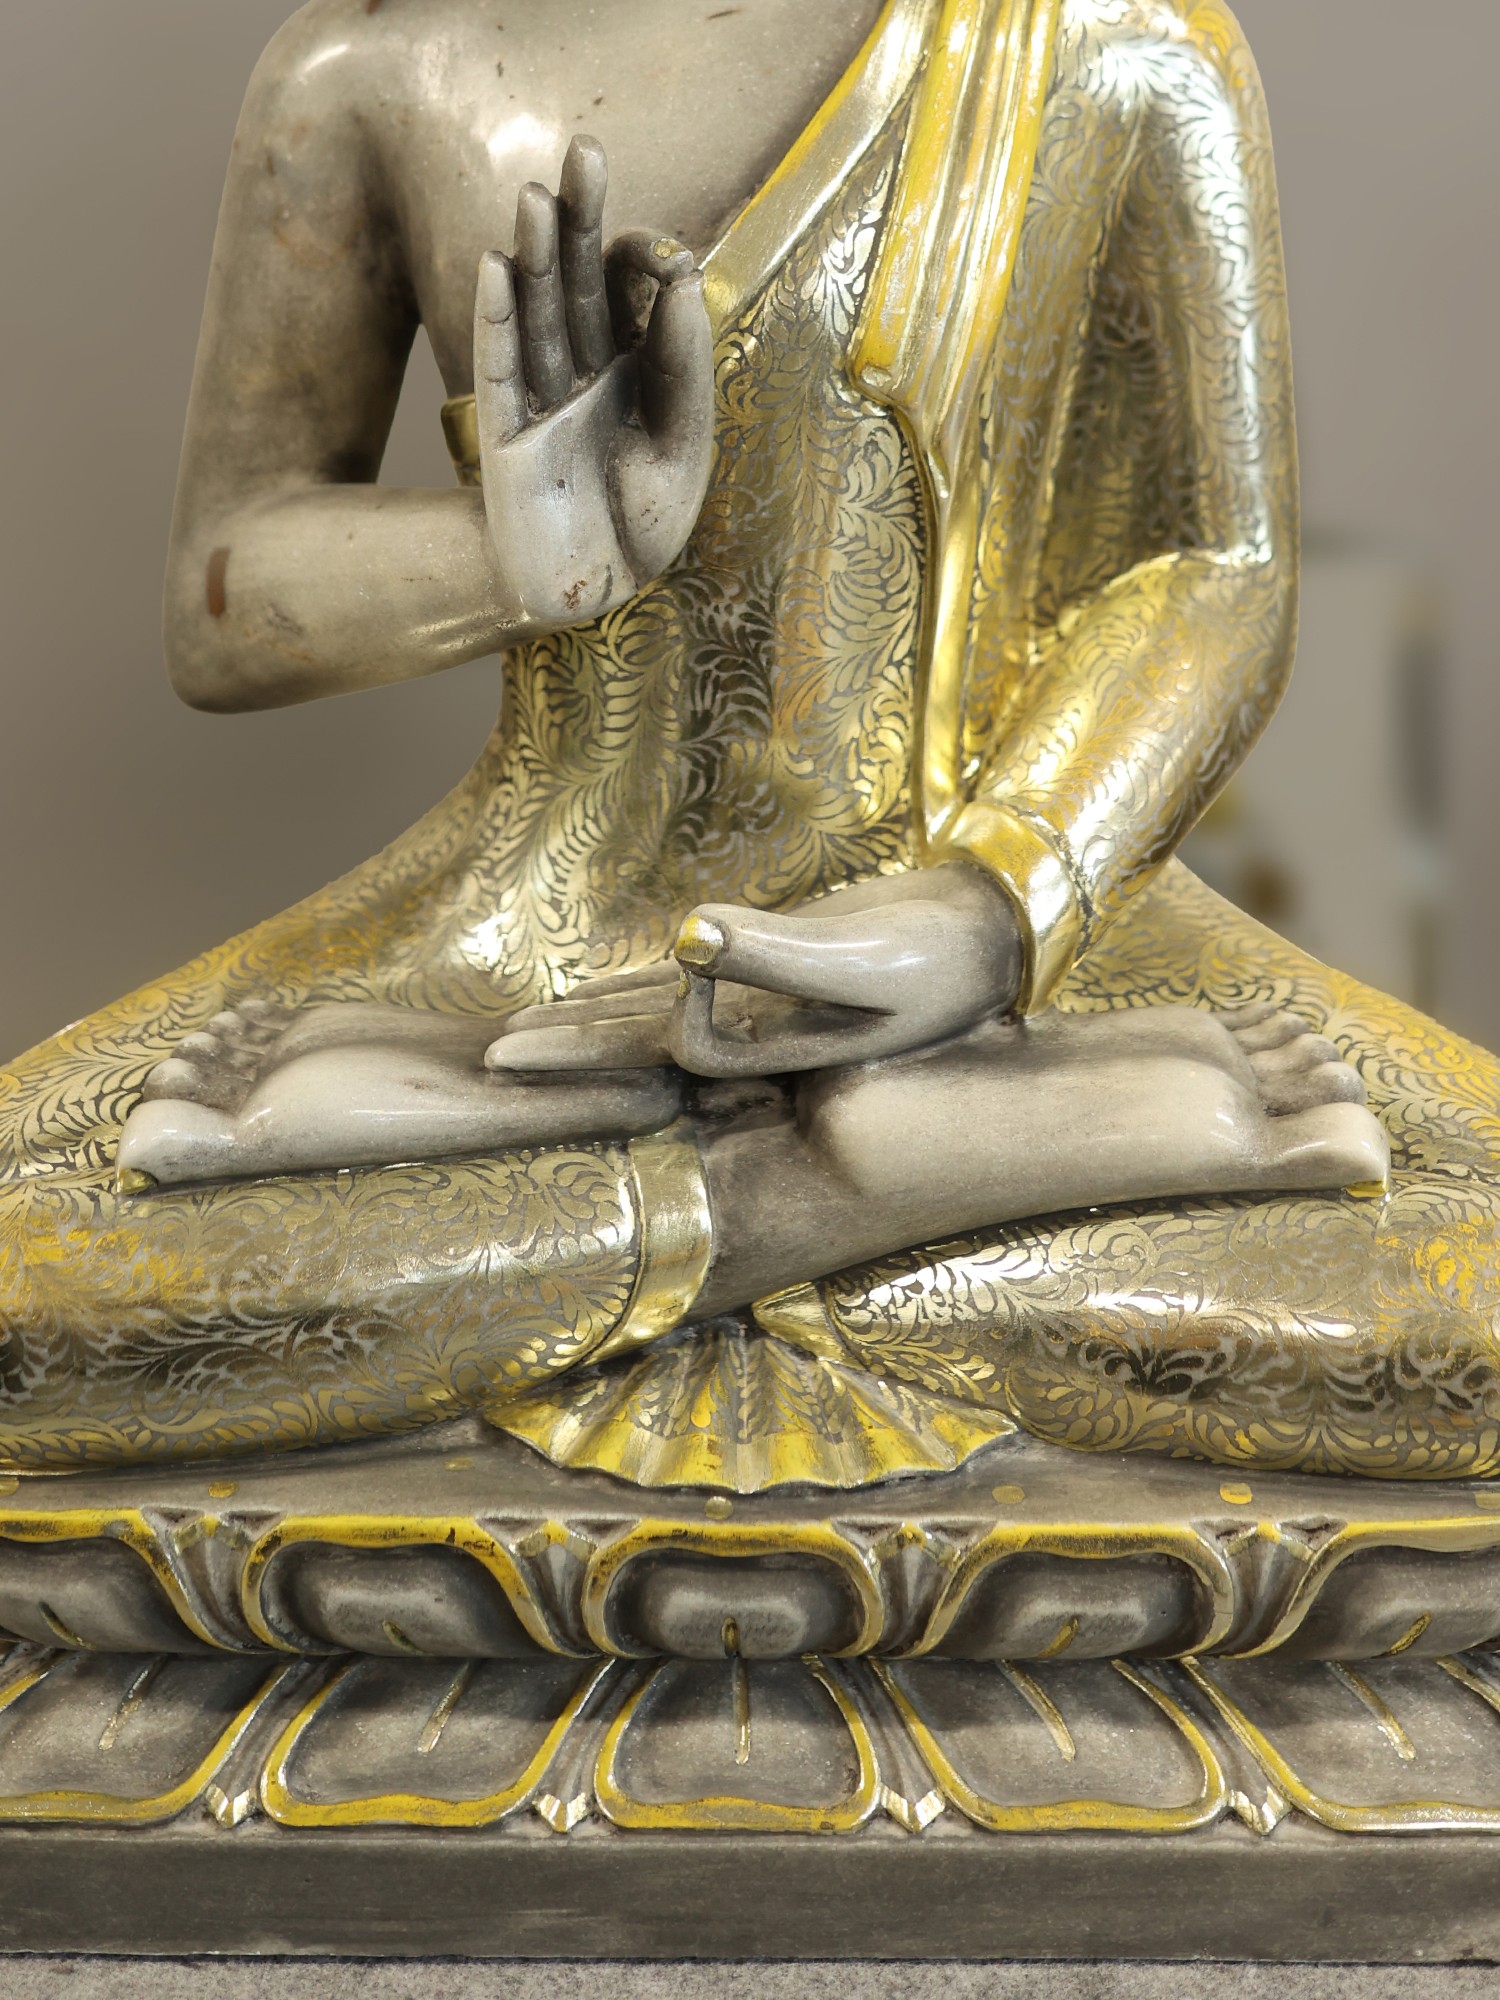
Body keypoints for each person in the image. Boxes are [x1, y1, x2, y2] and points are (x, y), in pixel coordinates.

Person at [0, 0, 1487, 1485]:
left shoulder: (1104, 36)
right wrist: (512, 560)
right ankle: (858, 1189)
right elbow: (226, 597)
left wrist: (988, 912)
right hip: (520, 969)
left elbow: (1210, 570)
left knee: (1462, 1311)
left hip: (1013, 956)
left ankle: (646, 1228)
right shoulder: (381, 65)